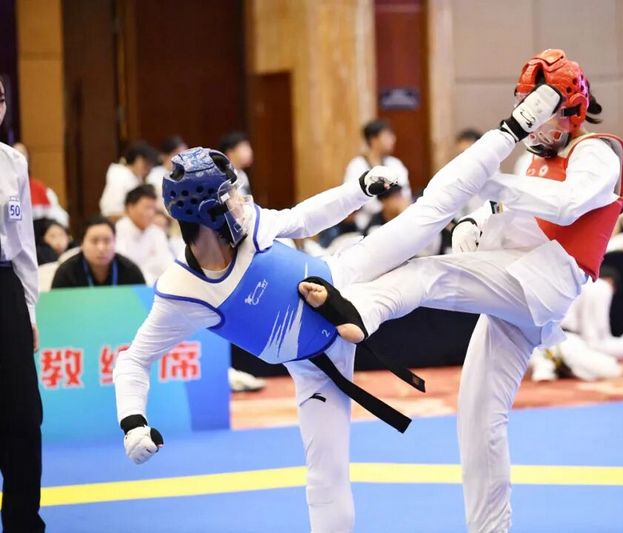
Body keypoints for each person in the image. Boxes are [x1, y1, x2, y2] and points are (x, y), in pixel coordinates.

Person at [112, 83, 559, 533]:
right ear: (209, 213)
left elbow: (304, 217)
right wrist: (133, 423)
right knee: (326, 479)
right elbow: (133, 361)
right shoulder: (182, 291)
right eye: (230, 196)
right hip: (314, 369)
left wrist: (359, 189)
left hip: (348, 273)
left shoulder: (250, 224)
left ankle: (512, 128)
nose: (241, 200)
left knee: (433, 209)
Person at [298, 49, 623, 532]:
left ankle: (359, 311)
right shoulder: (535, 162)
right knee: (478, 418)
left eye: (543, 112)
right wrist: (478, 220)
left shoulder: (597, 151)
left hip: (545, 280)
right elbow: (516, 216)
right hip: (518, 283)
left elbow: (568, 205)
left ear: (571, 109)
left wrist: (489, 182)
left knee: (431, 274)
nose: (535, 126)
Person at [0, 78, 46, 532]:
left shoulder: (12, 162)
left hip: (4, 291)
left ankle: (23, 523)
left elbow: (24, 247)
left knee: (23, 415)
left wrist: (29, 310)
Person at [342, 119, 411, 230]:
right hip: (366, 225)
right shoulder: (357, 165)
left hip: (397, 220)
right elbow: (350, 201)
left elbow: (405, 196)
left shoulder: (395, 164)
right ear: (373, 140)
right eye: (387, 136)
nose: (393, 139)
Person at [52, 215, 145, 288]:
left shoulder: (130, 271)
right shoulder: (66, 273)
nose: (101, 248)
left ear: (115, 242)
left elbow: (144, 304)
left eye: (107, 241)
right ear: (82, 244)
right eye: (94, 241)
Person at [115, 185, 173, 284]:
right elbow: (122, 266)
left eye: (153, 209)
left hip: (155, 286)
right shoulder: (117, 230)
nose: (151, 213)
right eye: (147, 208)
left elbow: (168, 265)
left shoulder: (157, 233)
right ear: (130, 207)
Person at [13, 141, 69, 227]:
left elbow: (60, 218)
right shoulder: (3, 190)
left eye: (22, 154)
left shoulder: (40, 189)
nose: (19, 159)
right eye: (15, 155)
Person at [99, 141, 158, 220]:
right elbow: (110, 212)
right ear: (138, 160)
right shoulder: (119, 176)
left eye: (150, 166)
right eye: (146, 164)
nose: (148, 169)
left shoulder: (136, 177)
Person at [146, 135, 188, 208]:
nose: (183, 159)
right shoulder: (154, 175)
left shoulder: (189, 174)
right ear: (164, 156)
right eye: (177, 154)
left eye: (185, 154)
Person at [218, 130, 253, 195]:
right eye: (244, 149)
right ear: (230, 153)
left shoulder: (242, 174)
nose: (250, 153)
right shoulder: (222, 177)